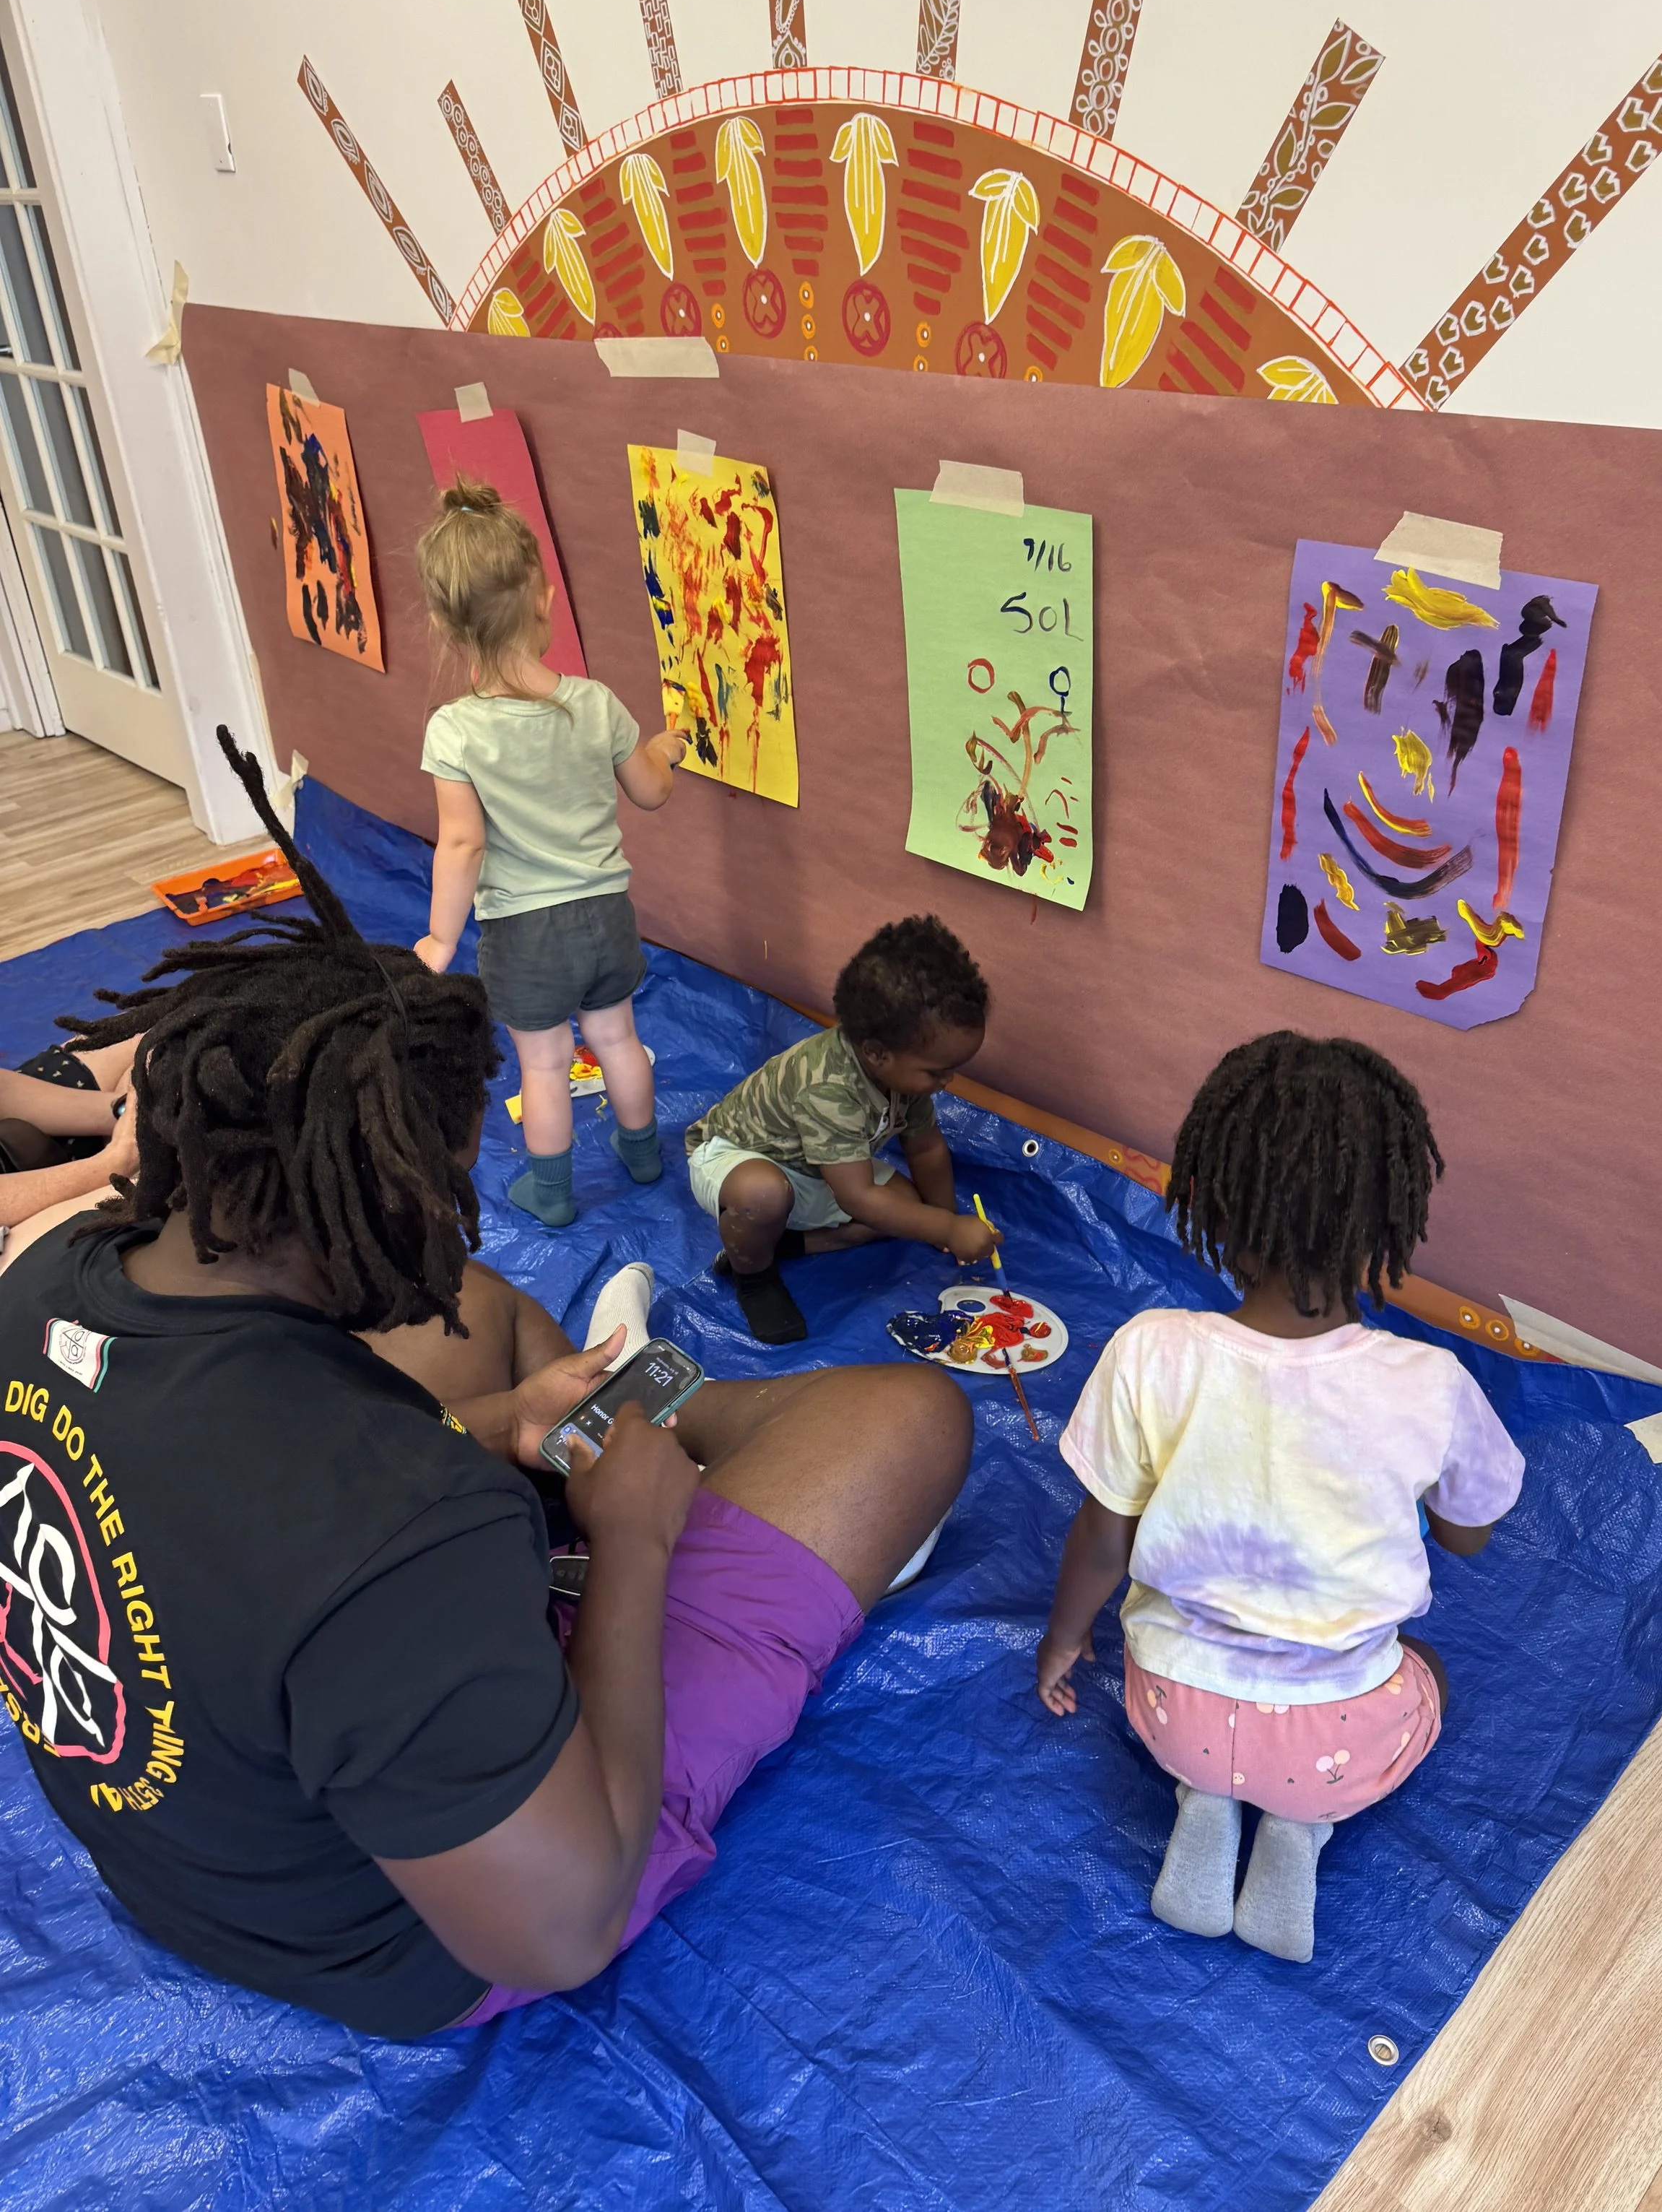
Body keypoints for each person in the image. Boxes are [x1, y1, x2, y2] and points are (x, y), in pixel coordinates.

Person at [0, 730, 969, 2039]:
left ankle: (622, 1414)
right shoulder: (397, 1528)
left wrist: (493, 1423)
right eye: (447, 1191)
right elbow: (564, 1928)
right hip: (416, 1942)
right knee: (910, 1415)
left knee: (485, 1330)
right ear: (388, 1193)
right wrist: (626, 1545)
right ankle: (666, 1446)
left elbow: (231, 1518)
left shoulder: (48, 1272)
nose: (458, 1230)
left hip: (193, 1856)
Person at [1035, 1031, 1524, 1964]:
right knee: (1426, 1669)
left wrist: (1064, 1641)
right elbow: (1469, 1535)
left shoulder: (1149, 1348)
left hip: (1175, 1713)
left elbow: (1102, 1536)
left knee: (1210, 1718)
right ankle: (1299, 1834)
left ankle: (1204, 1804)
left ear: (1217, 1204)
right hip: (1333, 1742)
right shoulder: (1430, 1381)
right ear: (1391, 1222)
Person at [412, 477, 687, 1226]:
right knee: (618, 1038)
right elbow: (652, 791)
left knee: (544, 1064)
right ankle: (643, 1155)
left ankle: (553, 1192)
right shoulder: (596, 704)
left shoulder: (456, 731)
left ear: (446, 623)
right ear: (544, 599)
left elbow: (463, 842)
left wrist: (441, 937)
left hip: (525, 934)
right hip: (605, 916)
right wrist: (668, 747)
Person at [686, 915, 1001, 1345]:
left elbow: (925, 1149)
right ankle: (753, 1276)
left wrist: (943, 1223)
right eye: (937, 1072)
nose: (948, 1082)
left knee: (906, 1211)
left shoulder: (903, 1074)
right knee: (763, 1195)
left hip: (821, 1168)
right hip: (740, 1158)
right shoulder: (827, 1086)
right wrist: (945, 1229)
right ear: (877, 1053)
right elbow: (858, 1196)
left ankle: (782, 1246)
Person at [0, 1038, 139, 1233]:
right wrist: (116, 1162)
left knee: (160, 1039)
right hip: (15, 1228)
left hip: (19, 1129)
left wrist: (123, 1110)